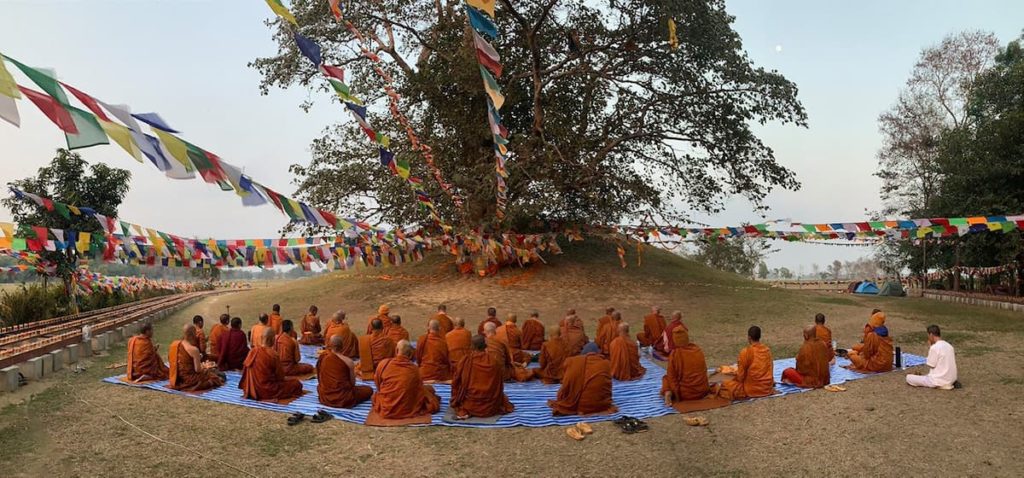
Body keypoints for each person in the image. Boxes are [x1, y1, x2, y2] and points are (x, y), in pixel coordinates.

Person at [371, 340, 441, 419]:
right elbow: (417, 390)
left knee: (375, 395)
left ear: (396, 350)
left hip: (387, 407)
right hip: (407, 408)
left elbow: (378, 384)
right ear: (411, 355)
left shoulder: (384, 364)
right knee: (429, 391)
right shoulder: (414, 369)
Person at [450, 335, 515, 419]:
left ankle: (466, 411)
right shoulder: (493, 361)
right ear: (485, 345)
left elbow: (456, 381)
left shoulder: (466, 360)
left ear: (472, 346)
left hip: (470, 403)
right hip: (491, 405)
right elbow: (499, 384)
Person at [240, 328, 304, 401]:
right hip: (269, 390)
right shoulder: (273, 354)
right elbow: (280, 376)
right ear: (273, 339)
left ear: (261, 338)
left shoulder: (252, 351)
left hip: (252, 389)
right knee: (296, 384)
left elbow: (245, 372)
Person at [714, 326, 775, 400]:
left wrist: (734, 375)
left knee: (725, 384)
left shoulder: (746, 352)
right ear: (759, 337)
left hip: (752, 389)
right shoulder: (767, 350)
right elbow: (770, 370)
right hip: (767, 388)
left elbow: (740, 377)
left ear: (749, 337)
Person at [547, 350, 616, 416]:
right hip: (602, 405)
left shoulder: (572, 361)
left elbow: (566, 385)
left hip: (581, 406)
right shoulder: (606, 363)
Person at [317, 335, 373, 408]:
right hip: (343, 398)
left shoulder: (324, 357)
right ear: (343, 346)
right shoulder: (349, 361)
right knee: (369, 390)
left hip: (326, 396)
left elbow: (320, 378)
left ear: (330, 345)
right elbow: (352, 383)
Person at [660, 326, 710, 405]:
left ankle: (668, 392)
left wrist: (675, 392)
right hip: (703, 391)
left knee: (666, 378)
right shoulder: (697, 350)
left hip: (685, 394)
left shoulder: (675, 354)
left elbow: (672, 377)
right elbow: (704, 370)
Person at [168, 324, 224, 392]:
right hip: (190, 378)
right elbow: (198, 370)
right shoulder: (194, 349)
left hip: (177, 377)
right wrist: (205, 367)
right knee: (216, 377)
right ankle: (210, 383)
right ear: (193, 334)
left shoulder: (174, 344)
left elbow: (172, 361)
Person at [906, 325, 957, 390]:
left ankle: (941, 385)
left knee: (908, 378)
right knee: (925, 376)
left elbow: (931, 365)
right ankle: (947, 383)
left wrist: (930, 346)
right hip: (952, 378)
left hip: (937, 380)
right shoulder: (949, 346)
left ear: (931, 335)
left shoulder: (935, 347)